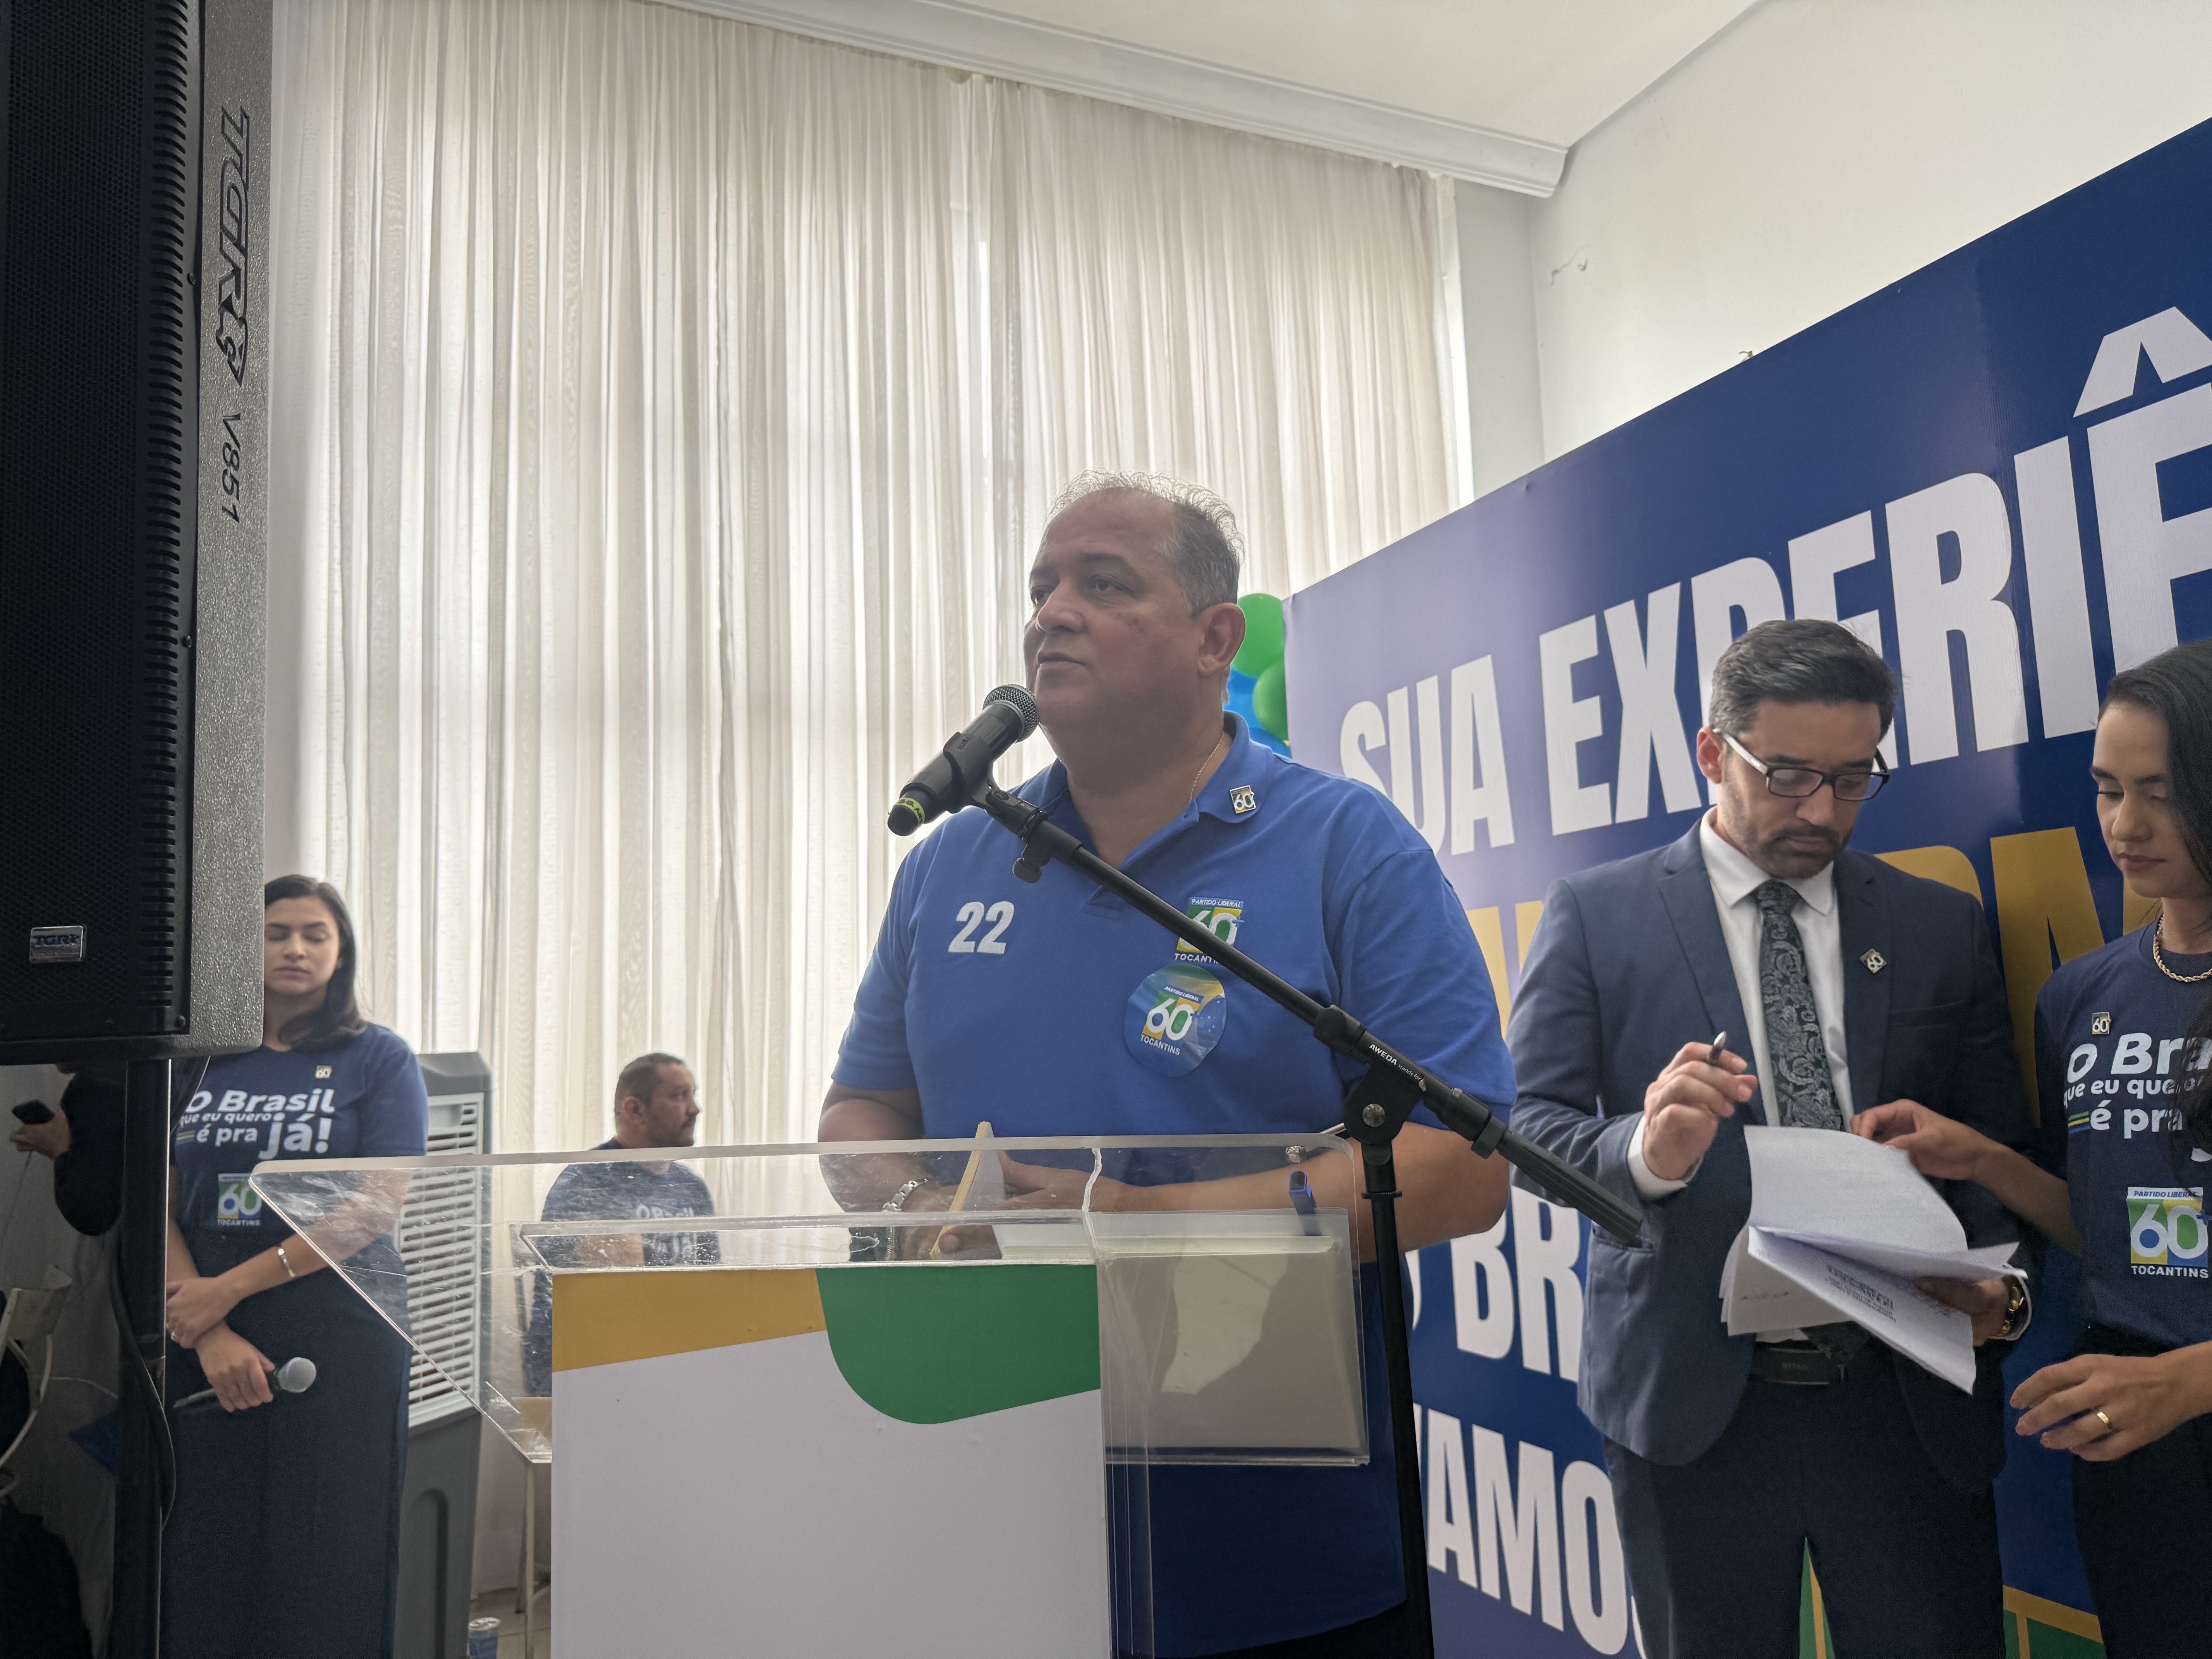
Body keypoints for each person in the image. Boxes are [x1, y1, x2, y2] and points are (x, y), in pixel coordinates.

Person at [823, 472, 1515, 1658]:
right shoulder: (949, 864)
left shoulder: (1347, 848)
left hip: (1277, 1541)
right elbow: (860, 1110)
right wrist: (919, 1207)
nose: (1053, 613)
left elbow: (1458, 1166)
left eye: (1103, 585)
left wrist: (1129, 1225)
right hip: (987, 1507)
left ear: (1214, 639)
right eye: (1042, 588)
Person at [1507, 618, 2036, 1659]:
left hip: (1903, 1407)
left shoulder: (1938, 925)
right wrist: (1647, 1152)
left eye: (1853, 779)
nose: (1821, 811)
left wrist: (2001, 1292)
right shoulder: (1597, 915)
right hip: (1695, 1404)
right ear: (1714, 752)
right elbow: (1527, 1126)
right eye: (1787, 775)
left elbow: (1998, 1150)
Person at [1855, 639, 2212, 1658]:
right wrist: (1982, 1159)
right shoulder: (2081, 995)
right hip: (2129, 1422)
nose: (2125, 824)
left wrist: (2192, 1381)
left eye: (2162, 793)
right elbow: (2104, 1229)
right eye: (2107, 788)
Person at [161, 876, 429, 1659]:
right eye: (276, 932)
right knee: (207, 1553)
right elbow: (154, 1203)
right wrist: (208, 1330)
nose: (295, 948)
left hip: (340, 1326)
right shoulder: (195, 1062)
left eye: (316, 934)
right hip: (205, 1331)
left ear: (341, 952)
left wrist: (228, 1290)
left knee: (328, 1556)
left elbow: (375, 1207)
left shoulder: (378, 1057)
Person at [522, 1053, 719, 1394]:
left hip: (676, 1367)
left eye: (693, 1095)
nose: (695, 1109)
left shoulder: (692, 1187)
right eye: (680, 1096)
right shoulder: (588, 1182)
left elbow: (715, 1286)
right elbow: (598, 1304)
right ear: (635, 1110)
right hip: (595, 1376)